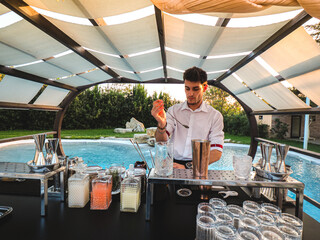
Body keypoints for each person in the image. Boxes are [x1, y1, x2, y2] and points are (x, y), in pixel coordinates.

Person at [151, 66, 224, 169]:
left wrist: (188, 167)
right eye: (187, 88)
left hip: (198, 167)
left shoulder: (215, 116)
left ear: (205, 87)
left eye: (195, 89)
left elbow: (216, 152)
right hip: (172, 165)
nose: (190, 94)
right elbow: (161, 141)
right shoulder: (173, 111)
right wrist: (161, 125)